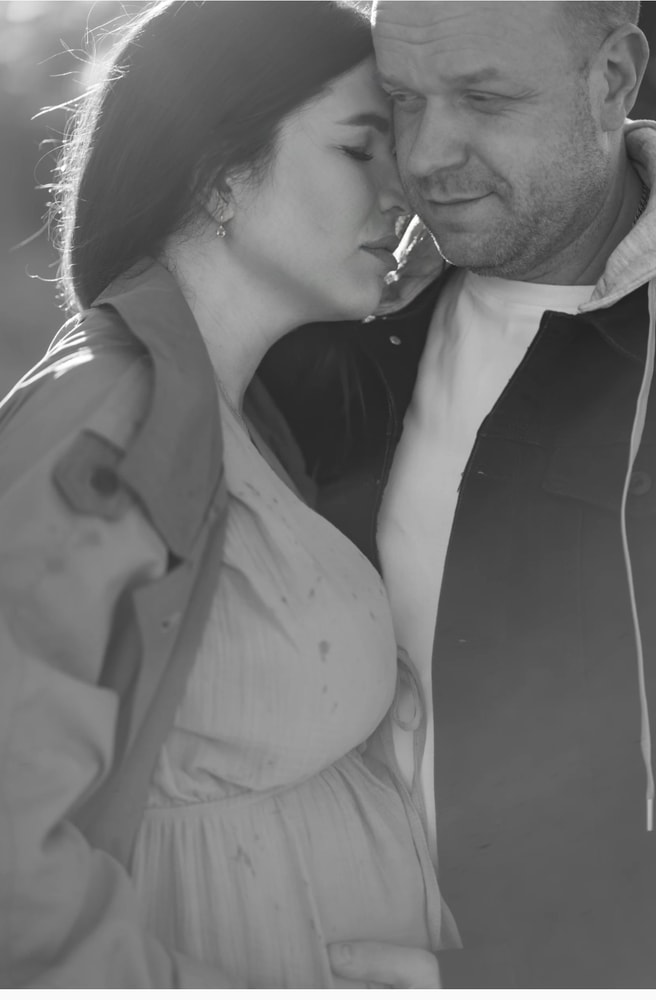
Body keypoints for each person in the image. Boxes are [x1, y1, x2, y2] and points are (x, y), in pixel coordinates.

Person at [0, 1, 460, 988]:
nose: (405, 189)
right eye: (360, 148)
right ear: (217, 175)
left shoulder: (238, 415)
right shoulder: (103, 413)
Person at [260, 0, 656, 988]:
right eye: (403, 99)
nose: (426, 156)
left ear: (612, 78)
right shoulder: (344, 314)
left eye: (483, 98)